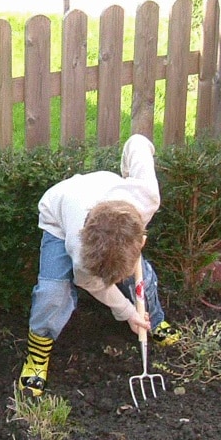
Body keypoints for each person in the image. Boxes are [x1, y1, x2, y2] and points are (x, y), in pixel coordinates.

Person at [18, 133, 181, 398]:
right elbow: (90, 282)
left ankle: (154, 319)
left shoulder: (146, 196)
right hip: (58, 216)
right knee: (52, 294)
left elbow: (137, 142)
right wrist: (127, 312)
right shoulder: (79, 249)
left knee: (143, 278)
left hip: (111, 201)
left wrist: (127, 174)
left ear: (142, 241)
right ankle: (37, 355)